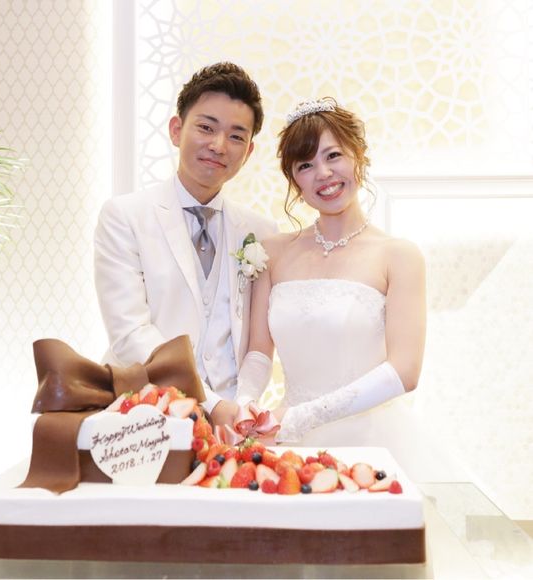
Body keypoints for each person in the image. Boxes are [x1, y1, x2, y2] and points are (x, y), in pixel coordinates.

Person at [236, 97, 430, 473]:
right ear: (294, 181)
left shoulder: (399, 256)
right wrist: (245, 404)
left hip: (372, 442)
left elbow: (404, 371)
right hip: (288, 442)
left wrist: (301, 417)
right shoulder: (272, 253)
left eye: (333, 156)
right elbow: (259, 352)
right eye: (305, 165)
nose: (323, 173)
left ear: (359, 156)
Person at [94, 62, 277, 426]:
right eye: (206, 127)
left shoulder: (262, 232)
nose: (218, 145)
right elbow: (130, 334)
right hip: (143, 418)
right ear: (176, 130)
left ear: (249, 152)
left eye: (236, 136)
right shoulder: (124, 216)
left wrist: (243, 405)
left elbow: (259, 342)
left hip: (231, 424)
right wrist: (210, 404)